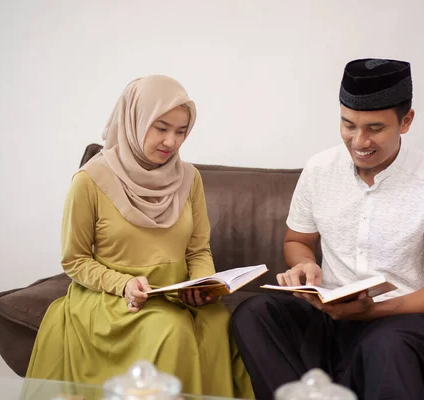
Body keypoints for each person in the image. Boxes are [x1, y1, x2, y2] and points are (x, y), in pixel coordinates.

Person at [232, 59, 424, 400]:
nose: (358, 141)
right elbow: (297, 241)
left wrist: (373, 311)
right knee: (253, 313)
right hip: (328, 312)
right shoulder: (319, 170)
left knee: (386, 345)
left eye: (375, 128)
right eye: (348, 125)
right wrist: (304, 264)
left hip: (401, 318)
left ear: (406, 121)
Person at [26, 75, 254, 398]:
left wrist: (203, 285)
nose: (171, 142)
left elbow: (198, 250)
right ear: (134, 119)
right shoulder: (89, 181)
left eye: (180, 132)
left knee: (218, 324)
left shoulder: (190, 179)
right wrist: (122, 284)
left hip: (175, 295)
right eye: (161, 128)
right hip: (115, 300)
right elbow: (74, 260)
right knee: (171, 331)